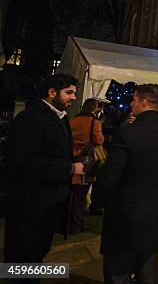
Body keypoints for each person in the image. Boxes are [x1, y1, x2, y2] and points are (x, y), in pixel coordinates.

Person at [91, 84, 158, 284]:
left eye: (134, 99)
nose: (131, 103)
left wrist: (100, 202)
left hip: (125, 213)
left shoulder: (127, 134)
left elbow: (109, 177)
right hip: (154, 211)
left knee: (119, 271)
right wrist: (155, 189)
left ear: (143, 101)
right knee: (148, 269)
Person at [4, 74, 85, 269]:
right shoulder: (31, 118)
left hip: (47, 203)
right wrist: (70, 168)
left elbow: (53, 152)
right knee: (24, 255)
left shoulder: (60, 117)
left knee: (37, 252)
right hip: (30, 203)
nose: (74, 98)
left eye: (75, 93)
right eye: (69, 92)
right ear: (51, 93)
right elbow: (22, 162)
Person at [68, 98, 104, 233]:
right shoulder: (94, 122)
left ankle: (67, 221)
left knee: (71, 192)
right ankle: (77, 224)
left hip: (72, 158)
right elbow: (98, 140)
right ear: (94, 108)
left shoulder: (72, 120)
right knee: (81, 194)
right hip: (86, 161)